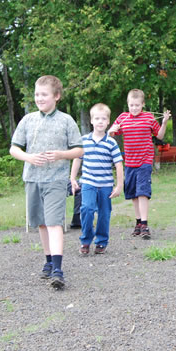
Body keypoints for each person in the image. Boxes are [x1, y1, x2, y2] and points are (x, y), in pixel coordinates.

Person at [10, 75, 83, 289]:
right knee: (41, 222)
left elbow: (79, 149)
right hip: (32, 179)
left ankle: (58, 270)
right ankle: (49, 261)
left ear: (57, 96)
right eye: (36, 94)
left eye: (44, 94)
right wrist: (29, 157)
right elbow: (14, 148)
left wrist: (61, 154)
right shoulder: (28, 120)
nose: (39, 98)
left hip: (57, 180)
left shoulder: (66, 120)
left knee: (54, 222)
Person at [108, 89, 170, 239]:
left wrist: (164, 123)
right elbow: (110, 134)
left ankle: (145, 224)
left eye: (137, 105)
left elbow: (159, 136)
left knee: (142, 192)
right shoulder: (123, 118)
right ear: (128, 105)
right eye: (131, 105)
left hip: (145, 161)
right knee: (133, 194)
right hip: (130, 162)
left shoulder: (148, 118)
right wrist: (111, 130)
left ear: (143, 104)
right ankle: (138, 223)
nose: (134, 108)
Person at [70, 103, 124, 255]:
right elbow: (77, 159)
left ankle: (101, 241)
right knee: (86, 209)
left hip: (105, 184)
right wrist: (73, 178)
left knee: (104, 213)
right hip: (88, 182)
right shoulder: (84, 140)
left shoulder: (111, 143)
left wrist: (119, 186)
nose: (100, 121)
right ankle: (85, 240)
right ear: (91, 121)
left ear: (108, 122)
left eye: (103, 119)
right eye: (97, 118)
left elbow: (119, 165)